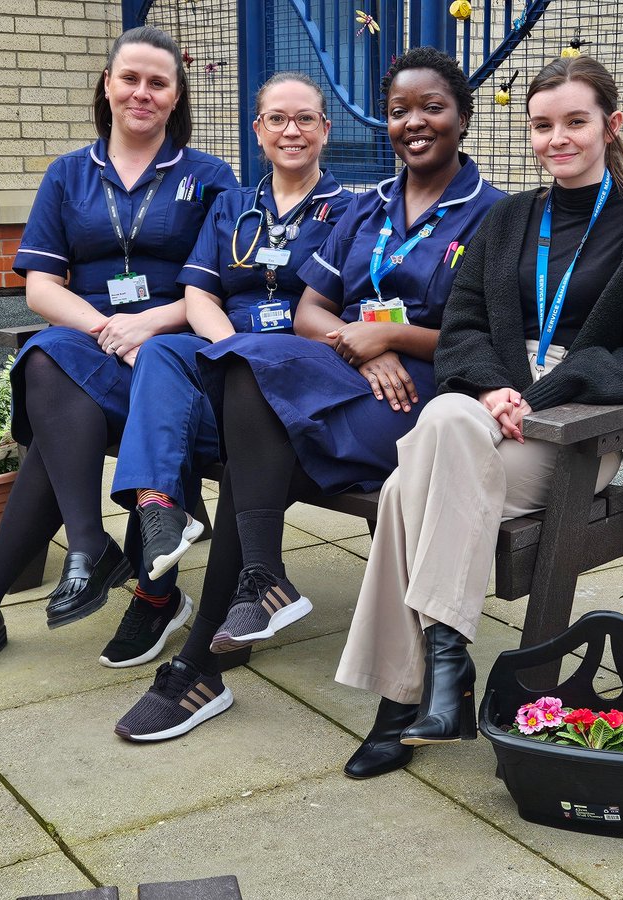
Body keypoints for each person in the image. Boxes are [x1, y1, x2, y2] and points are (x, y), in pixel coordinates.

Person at [114, 47, 504, 742]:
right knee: (246, 396)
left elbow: (483, 343)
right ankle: (251, 596)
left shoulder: (494, 216)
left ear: (463, 118)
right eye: (398, 111)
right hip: (347, 379)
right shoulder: (370, 207)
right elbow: (311, 312)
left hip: (426, 407)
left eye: (432, 108)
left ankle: (206, 656)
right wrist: (357, 342)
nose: (414, 122)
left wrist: (391, 340)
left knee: (248, 431)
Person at [334, 55, 623, 778]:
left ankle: (415, 694)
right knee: (433, 446)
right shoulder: (507, 219)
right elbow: (464, 325)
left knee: (410, 485)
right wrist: (493, 387)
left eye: (574, 122)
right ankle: (441, 675)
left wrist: (546, 394)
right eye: (542, 125)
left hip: (574, 430)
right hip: (488, 413)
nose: (556, 138)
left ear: (609, 126)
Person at [0, 26, 237, 683]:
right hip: (90, 343)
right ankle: (89, 546)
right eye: (131, 78)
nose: (143, 93)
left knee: (55, 412)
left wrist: (146, 326)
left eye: (159, 82)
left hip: (174, 347)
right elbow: (41, 286)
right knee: (47, 355)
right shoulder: (68, 174)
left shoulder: (209, 177)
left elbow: (217, 284)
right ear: (107, 84)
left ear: (177, 95)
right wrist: (105, 330)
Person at [108, 71, 352, 634]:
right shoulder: (232, 205)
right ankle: (159, 511)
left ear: (325, 129)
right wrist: (232, 349)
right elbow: (198, 293)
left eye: (305, 119)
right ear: (258, 131)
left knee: (172, 390)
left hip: (297, 375)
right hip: (229, 359)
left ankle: (167, 589)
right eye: (277, 120)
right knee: (162, 352)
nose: (291, 131)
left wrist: (253, 358)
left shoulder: (351, 212)